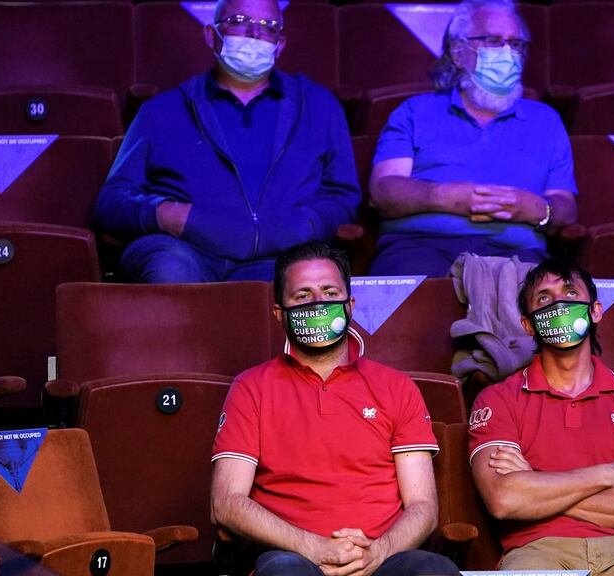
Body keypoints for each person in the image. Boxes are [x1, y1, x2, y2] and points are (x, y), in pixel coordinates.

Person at [210, 242, 459, 576]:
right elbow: (225, 503)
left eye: (329, 292)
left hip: (383, 558)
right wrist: (313, 547)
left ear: (350, 305)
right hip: (293, 557)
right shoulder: (251, 388)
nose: (318, 304)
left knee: (433, 570)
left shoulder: (396, 387)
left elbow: (423, 507)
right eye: (303, 296)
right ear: (279, 313)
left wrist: (378, 551)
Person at [94, 0, 359, 283]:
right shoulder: (161, 110)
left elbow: (342, 195)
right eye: (240, 20)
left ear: (280, 44)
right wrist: (166, 215)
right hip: (182, 249)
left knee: (299, 284)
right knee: (170, 269)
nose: (254, 34)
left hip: (282, 254)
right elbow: (112, 203)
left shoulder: (319, 107)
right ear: (211, 35)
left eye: (268, 27)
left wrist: (306, 225)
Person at [467, 258, 614, 575]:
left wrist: (535, 483)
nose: (559, 304)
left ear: (595, 311)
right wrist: (608, 475)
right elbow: (504, 499)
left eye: (569, 292)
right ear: (528, 325)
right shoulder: (498, 398)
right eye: (544, 298)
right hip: (537, 551)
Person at [368, 0, 577, 277]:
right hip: (420, 247)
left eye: (515, 44)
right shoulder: (414, 112)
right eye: (492, 41)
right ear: (458, 51)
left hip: (517, 254)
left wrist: (537, 208)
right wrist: (442, 197)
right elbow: (383, 190)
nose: (507, 53)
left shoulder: (545, 120)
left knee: (538, 295)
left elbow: (565, 207)